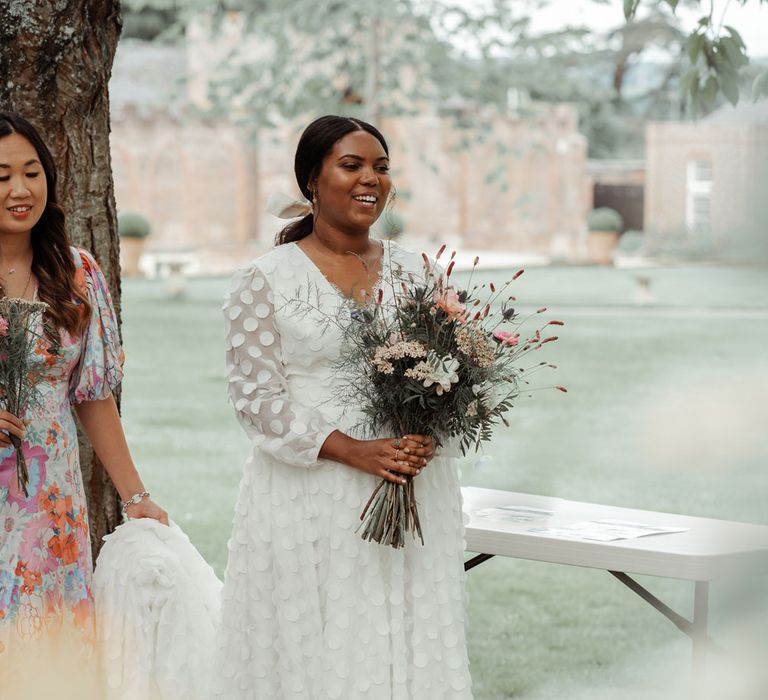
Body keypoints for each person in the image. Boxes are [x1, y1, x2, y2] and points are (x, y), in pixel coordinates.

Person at [214, 115, 472, 699]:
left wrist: (429, 428)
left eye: (381, 168)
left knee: (407, 639)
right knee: (320, 650)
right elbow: (256, 401)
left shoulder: (418, 273)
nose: (370, 180)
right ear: (311, 180)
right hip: (310, 495)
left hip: (410, 488)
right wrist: (352, 450)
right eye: (351, 166)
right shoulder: (263, 279)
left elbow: (449, 375)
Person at [0, 112, 167, 690]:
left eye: (31, 172)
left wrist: (135, 495)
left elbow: (94, 398)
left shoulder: (76, 274)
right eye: (1, 176)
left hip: (50, 505)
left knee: (49, 660)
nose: (20, 190)